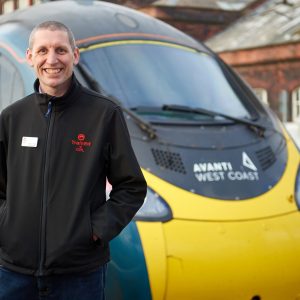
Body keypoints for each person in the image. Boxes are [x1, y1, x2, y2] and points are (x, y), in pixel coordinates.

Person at [0, 21, 147, 299]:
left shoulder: (104, 115)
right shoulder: (11, 118)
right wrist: (7, 227)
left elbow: (131, 187)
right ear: (29, 57)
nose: (52, 59)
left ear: (75, 55)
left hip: (79, 274)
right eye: (42, 50)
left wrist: (93, 231)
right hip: (13, 273)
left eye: (61, 50)